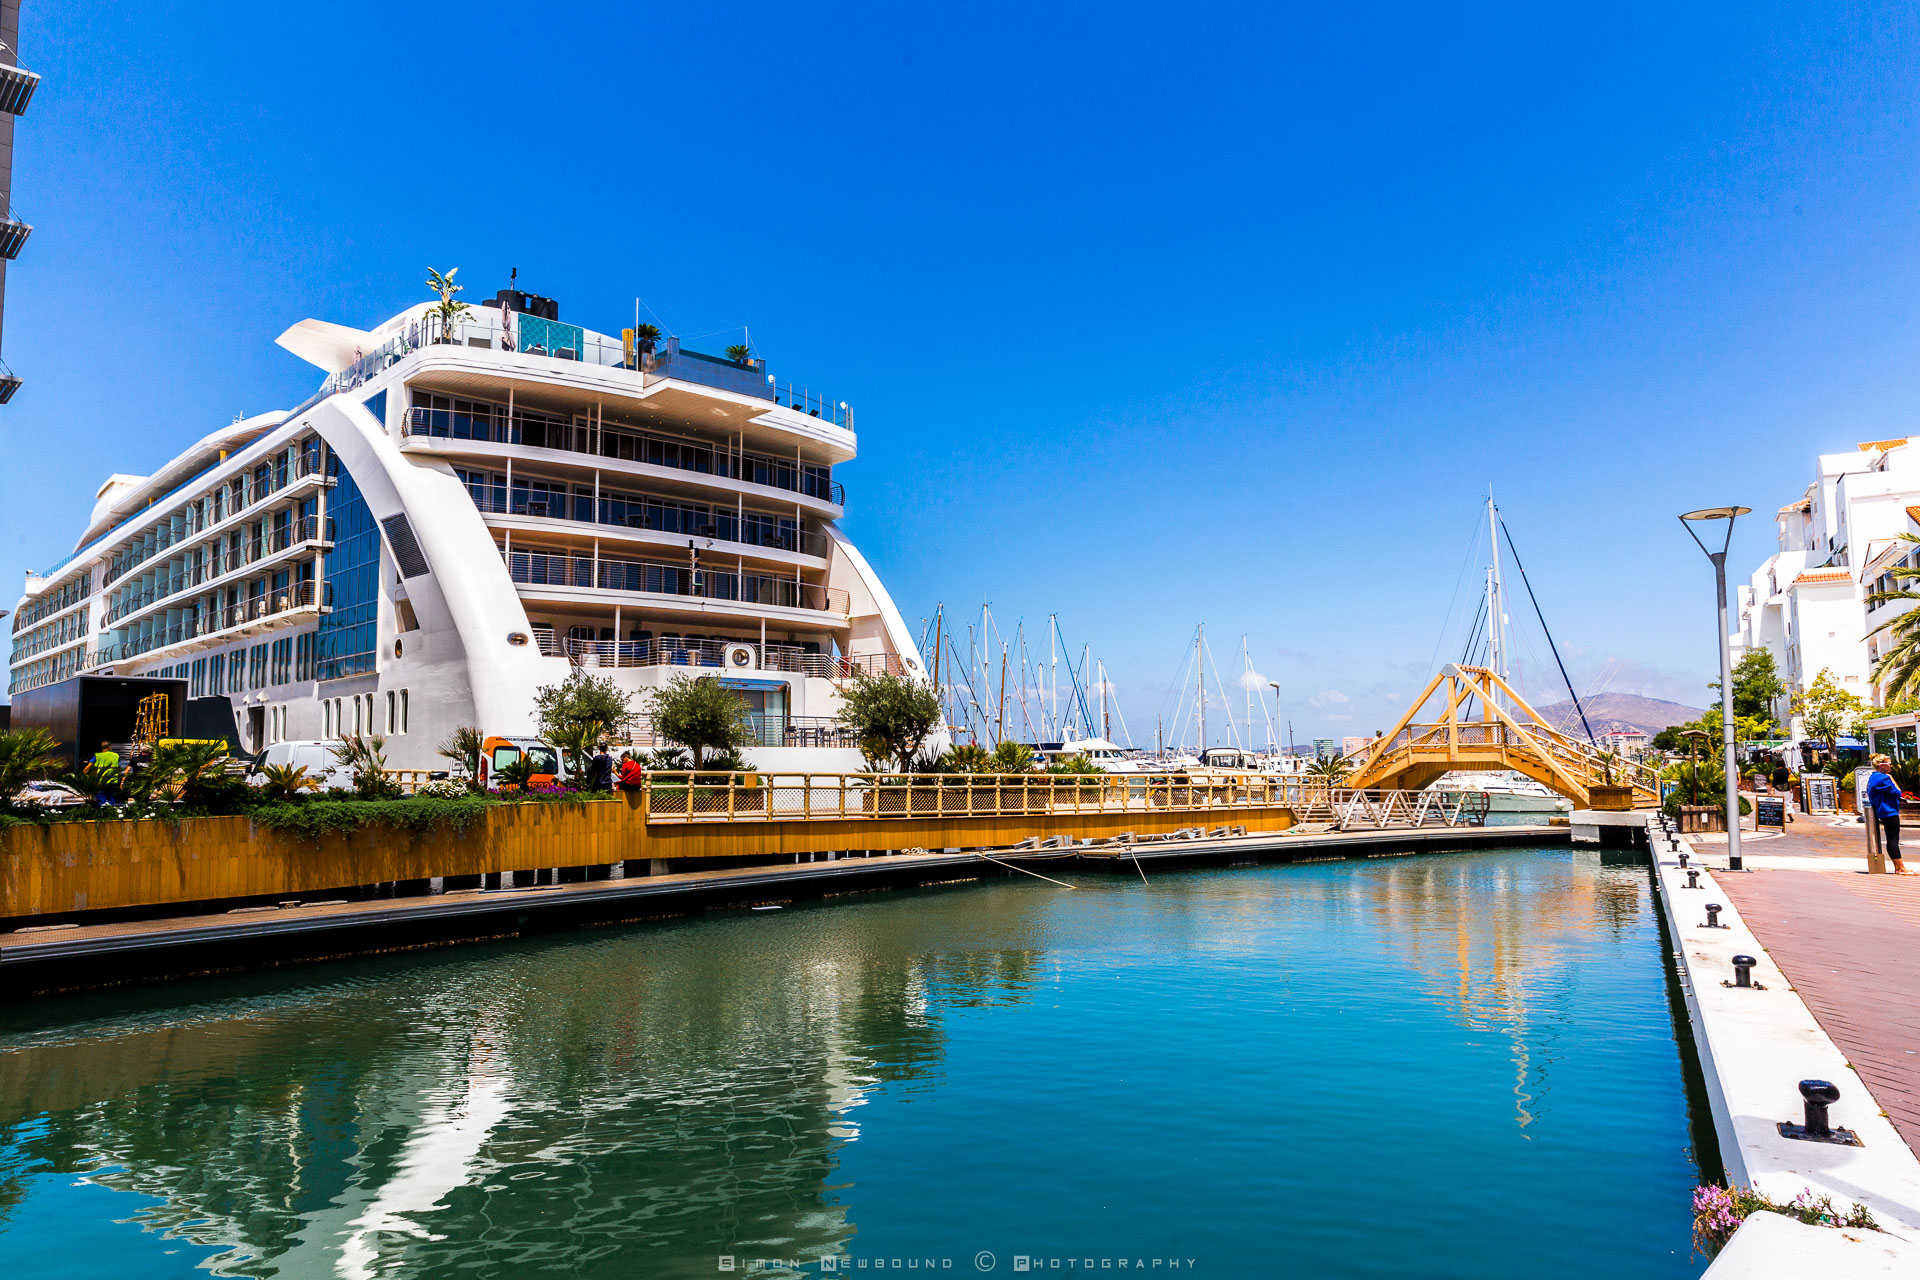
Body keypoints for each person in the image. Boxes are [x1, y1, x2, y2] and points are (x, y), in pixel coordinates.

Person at [1866, 754, 1911, 874]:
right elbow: (1898, 792)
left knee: (1892, 839)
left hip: (1883, 810)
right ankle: (1901, 868)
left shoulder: (1874, 777)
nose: (1891, 766)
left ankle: (1898, 867)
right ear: (1881, 766)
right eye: (1889, 764)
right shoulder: (1883, 778)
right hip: (1889, 811)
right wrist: (1891, 778)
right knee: (1893, 839)